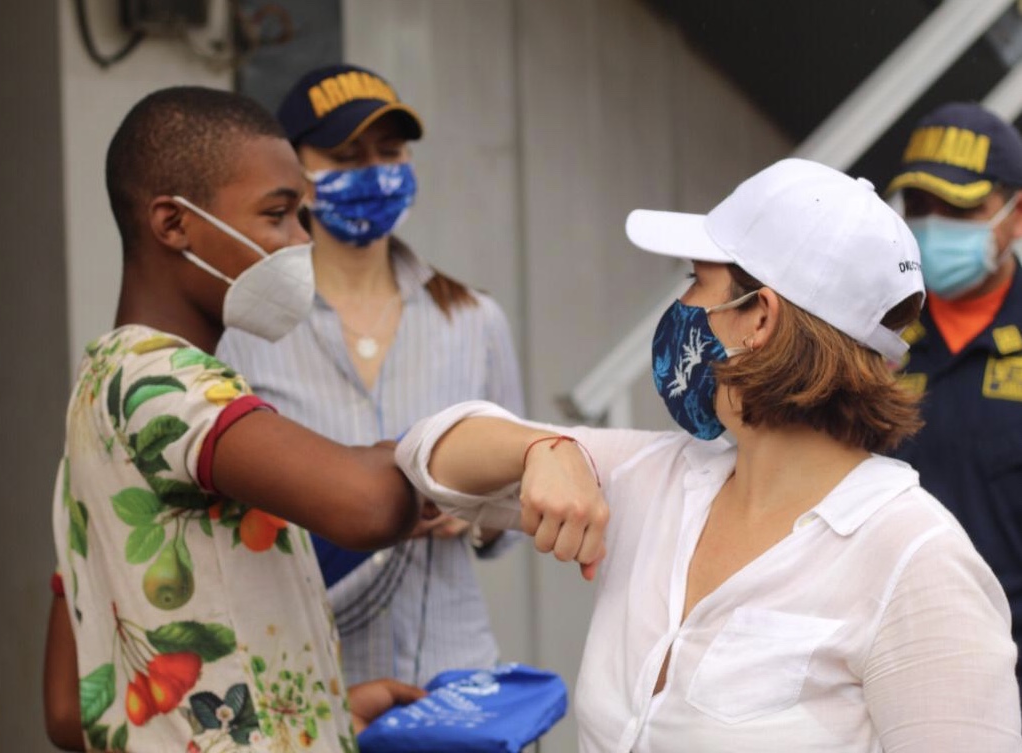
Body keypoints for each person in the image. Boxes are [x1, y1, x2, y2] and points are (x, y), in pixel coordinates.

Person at [395, 158, 1021, 751]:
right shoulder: (660, 477)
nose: (682, 306)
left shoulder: (915, 562)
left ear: (761, 319)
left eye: (697, 279)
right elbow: (431, 451)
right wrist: (542, 448)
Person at [44, 85, 599, 752]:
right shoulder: (163, 385)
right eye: (277, 215)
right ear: (173, 224)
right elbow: (364, 503)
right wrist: (520, 449)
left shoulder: (102, 380)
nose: (300, 240)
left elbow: (67, 704)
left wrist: (313, 706)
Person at [217, 63, 525, 687]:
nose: (372, 172)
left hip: (454, 678)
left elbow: (516, 506)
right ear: (292, 171)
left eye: (389, 152)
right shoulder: (242, 333)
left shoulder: (473, 318)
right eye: (343, 155)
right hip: (308, 683)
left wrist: (476, 509)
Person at [884, 101, 1022, 692]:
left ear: (1016, 215)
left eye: (961, 207)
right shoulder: (874, 339)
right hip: (885, 669)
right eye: (920, 207)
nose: (934, 224)